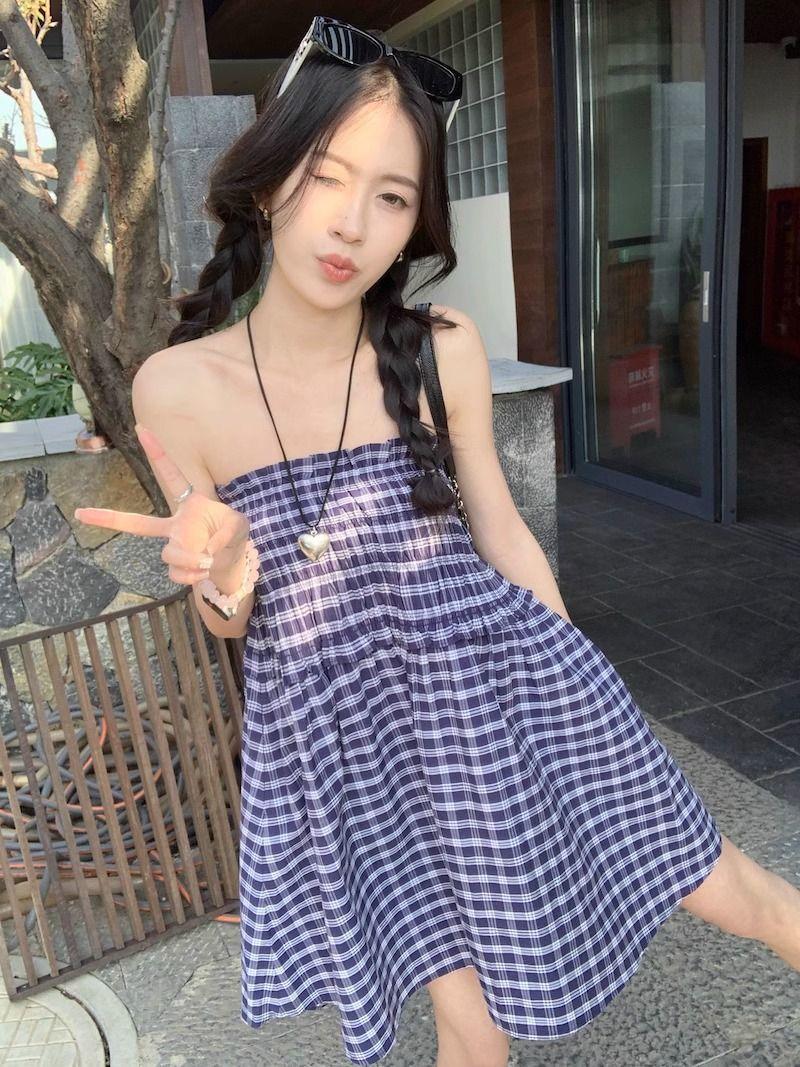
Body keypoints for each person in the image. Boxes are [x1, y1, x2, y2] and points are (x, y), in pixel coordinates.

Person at [74, 16, 800, 1067]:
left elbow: (500, 527)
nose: (351, 224)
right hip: (347, 742)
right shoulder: (174, 389)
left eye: (393, 197)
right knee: (465, 1011)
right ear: (270, 179)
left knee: (728, 886)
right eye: (327, 175)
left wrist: (580, 687)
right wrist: (226, 572)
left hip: (496, 683)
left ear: (416, 223)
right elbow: (227, 614)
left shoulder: (440, 348)